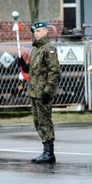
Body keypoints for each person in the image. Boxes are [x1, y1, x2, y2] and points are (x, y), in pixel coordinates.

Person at [17, 21, 60, 164]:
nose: (36, 34)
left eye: (39, 31)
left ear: (46, 31)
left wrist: (48, 91)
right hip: (34, 91)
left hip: (43, 92)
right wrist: (24, 65)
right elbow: (32, 70)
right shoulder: (36, 50)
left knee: (44, 120)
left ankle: (49, 152)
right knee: (37, 122)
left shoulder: (49, 49)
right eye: (35, 32)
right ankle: (45, 150)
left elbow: (54, 72)